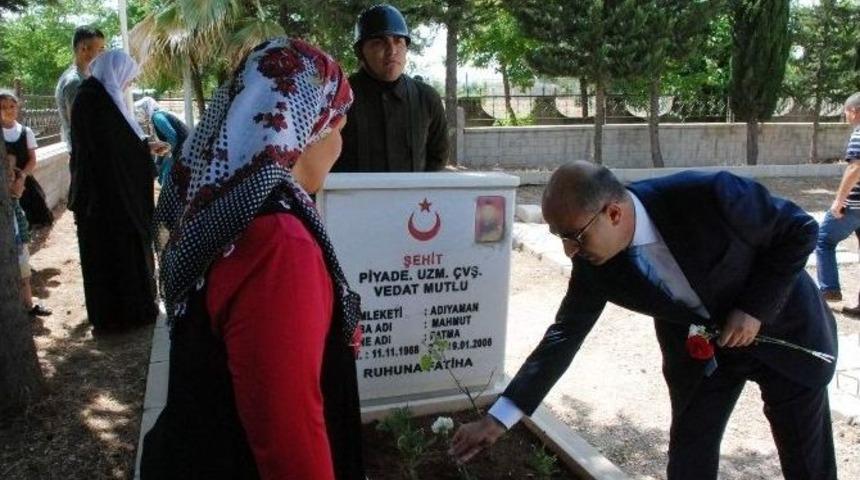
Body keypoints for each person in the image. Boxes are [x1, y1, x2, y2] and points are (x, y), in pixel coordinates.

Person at [451, 162, 838, 480]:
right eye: (559, 238)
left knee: (807, 458)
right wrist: (499, 419)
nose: (570, 251)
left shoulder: (707, 195)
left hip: (784, 332)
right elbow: (564, 335)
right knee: (689, 455)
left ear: (614, 213)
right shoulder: (594, 265)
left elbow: (799, 229)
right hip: (702, 356)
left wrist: (755, 309)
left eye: (574, 236)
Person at [141, 37, 365, 480]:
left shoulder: (220, 206)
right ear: (305, 128)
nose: (340, 145)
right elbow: (288, 439)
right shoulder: (278, 242)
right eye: (337, 127)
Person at [69, 50, 169, 334]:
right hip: (104, 201)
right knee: (111, 256)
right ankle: (118, 317)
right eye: (128, 78)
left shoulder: (102, 98)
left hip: (114, 196)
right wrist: (141, 152)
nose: (128, 84)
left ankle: (134, 311)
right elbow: (105, 154)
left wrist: (144, 147)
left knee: (125, 253)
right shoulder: (92, 99)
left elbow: (119, 146)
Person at [332, 3, 448, 172]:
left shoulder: (427, 99)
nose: (392, 50)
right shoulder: (338, 98)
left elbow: (437, 159)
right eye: (379, 42)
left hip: (413, 198)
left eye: (398, 41)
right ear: (360, 52)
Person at [815, 92, 860, 316]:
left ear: (854, 111)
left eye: (846, 113)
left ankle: (829, 289)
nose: (846, 118)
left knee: (824, 239)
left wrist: (839, 201)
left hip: (855, 206)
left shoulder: (859, 133)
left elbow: (855, 168)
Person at [7, 153, 52, 317]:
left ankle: (28, 305)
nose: (23, 187)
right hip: (16, 245)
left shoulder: (14, 202)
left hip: (20, 244)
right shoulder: (10, 205)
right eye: (18, 181)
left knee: (25, 277)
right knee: (23, 278)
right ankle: (26, 306)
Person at [1, 91, 54, 229]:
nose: (8, 110)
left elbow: (32, 159)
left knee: (35, 216)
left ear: (17, 107)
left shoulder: (25, 132)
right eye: (3, 107)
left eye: (12, 106)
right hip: (4, 183)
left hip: (24, 180)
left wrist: (22, 177)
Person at [55, 26, 105, 145]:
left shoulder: (86, 78)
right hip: (85, 154)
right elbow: (80, 125)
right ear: (84, 49)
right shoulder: (75, 82)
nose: (104, 53)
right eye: (100, 49)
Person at [135, 96, 189, 185]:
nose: (140, 114)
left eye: (141, 110)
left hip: (182, 146)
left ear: (146, 108)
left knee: (166, 173)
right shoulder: (157, 116)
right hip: (180, 145)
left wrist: (166, 159)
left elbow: (173, 137)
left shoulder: (157, 117)